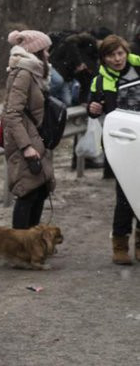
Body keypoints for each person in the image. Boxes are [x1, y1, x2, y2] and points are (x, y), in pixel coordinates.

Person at [86, 35, 140, 264]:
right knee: (125, 195)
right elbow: (91, 108)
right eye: (111, 55)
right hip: (120, 144)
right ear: (104, 58)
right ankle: (120, 243)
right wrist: (93, 108)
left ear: (126, 52)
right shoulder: (99, 80)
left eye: (120, 53)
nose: (117, 59)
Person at [1, 30, 56, 229]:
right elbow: (12, 113)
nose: (48, 55)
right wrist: (26, 146)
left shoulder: (35, 73)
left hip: (36, 138)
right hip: (27, 142)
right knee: (28, 192)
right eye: (46, 50)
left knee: (39, 190)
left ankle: (31, 245)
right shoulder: (24, 73)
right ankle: (19, 246)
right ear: (37, 51)